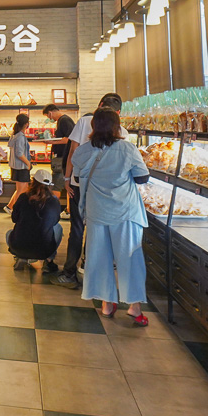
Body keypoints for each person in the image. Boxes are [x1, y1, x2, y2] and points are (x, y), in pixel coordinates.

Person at [71, 107, 150, 326]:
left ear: (93, 126)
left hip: (97, 211)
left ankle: (106, 303)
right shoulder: (127, 149)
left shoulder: (82, 151)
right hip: (124, 211)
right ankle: (134, 307)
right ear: (117, 127)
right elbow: (142, 178)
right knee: (130, 258)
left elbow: (78, 178)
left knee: (99, 258)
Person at [52, 93, 127, 289]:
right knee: (96, 228)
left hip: (79, 184)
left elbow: (72, 152)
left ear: (99, 105)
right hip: (104, 188)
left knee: (77, 227)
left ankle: (69, 272)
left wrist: (67, 179)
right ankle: (88, 267)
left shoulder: (85, 121)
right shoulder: (123, 131)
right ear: (118, 113)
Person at [7, 169, 63, 272]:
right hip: (44, 250)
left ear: (33, 182)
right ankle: (49, 260)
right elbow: (55, 221)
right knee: (58, 228)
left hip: (18, 247)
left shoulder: (23, 197)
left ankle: (21, 257)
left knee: (9, 233)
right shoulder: (54, 201)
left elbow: (14, 218)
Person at [42, 104, 76, 219]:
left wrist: (51, 142)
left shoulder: (64, 120)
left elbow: (69, 139)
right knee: (64, 184)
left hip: (62, 157)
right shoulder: (63, 120)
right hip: (62, 157)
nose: (49, 118)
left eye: (48, 115)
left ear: (50, 113)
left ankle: (54, 211)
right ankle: (68, 210)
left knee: (56, 184)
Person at [4, 114, 32, 215]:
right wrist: (28, 163)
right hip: (21, 166)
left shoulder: (14, 136)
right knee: (21, 189)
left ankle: (10, 206)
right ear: (26, 124)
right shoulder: (20, 137)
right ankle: (12, 208)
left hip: (16, 166)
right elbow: (20, 153)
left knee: (22, 189)